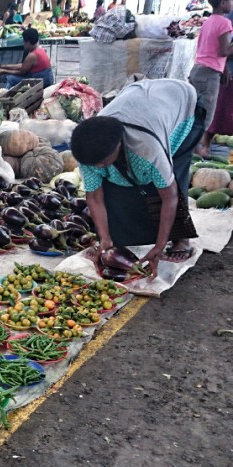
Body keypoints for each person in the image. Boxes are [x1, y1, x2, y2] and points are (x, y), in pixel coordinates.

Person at [70, 80, 203, 275]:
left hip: (179, 103)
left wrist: (159, 246)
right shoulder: (89, 151)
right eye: (94, 164)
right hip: (137, 98)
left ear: (118, 146)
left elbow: (170, 196)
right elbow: (95, 197)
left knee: (174, 174)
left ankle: (180, 238)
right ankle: (123, 237)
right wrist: (105, 238)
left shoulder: (147, 147)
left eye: (104, 161)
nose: (98, 166)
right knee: (115, 185)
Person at [188, 0, 233, 158]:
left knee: (194, 112)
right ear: (222, 3)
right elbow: (224, 51)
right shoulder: (225, 23)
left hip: (198, 70)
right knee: (206, 115)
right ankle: (194, 147)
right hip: (209, 74)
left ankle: (190, 145)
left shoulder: (208, 21)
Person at [207, 9, 233, 137]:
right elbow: (224, 50)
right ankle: (203, 143)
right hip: (223, 68)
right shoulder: (226, 21)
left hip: (220, 67)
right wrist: (226, 68)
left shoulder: (214, 20)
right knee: (217, 111)